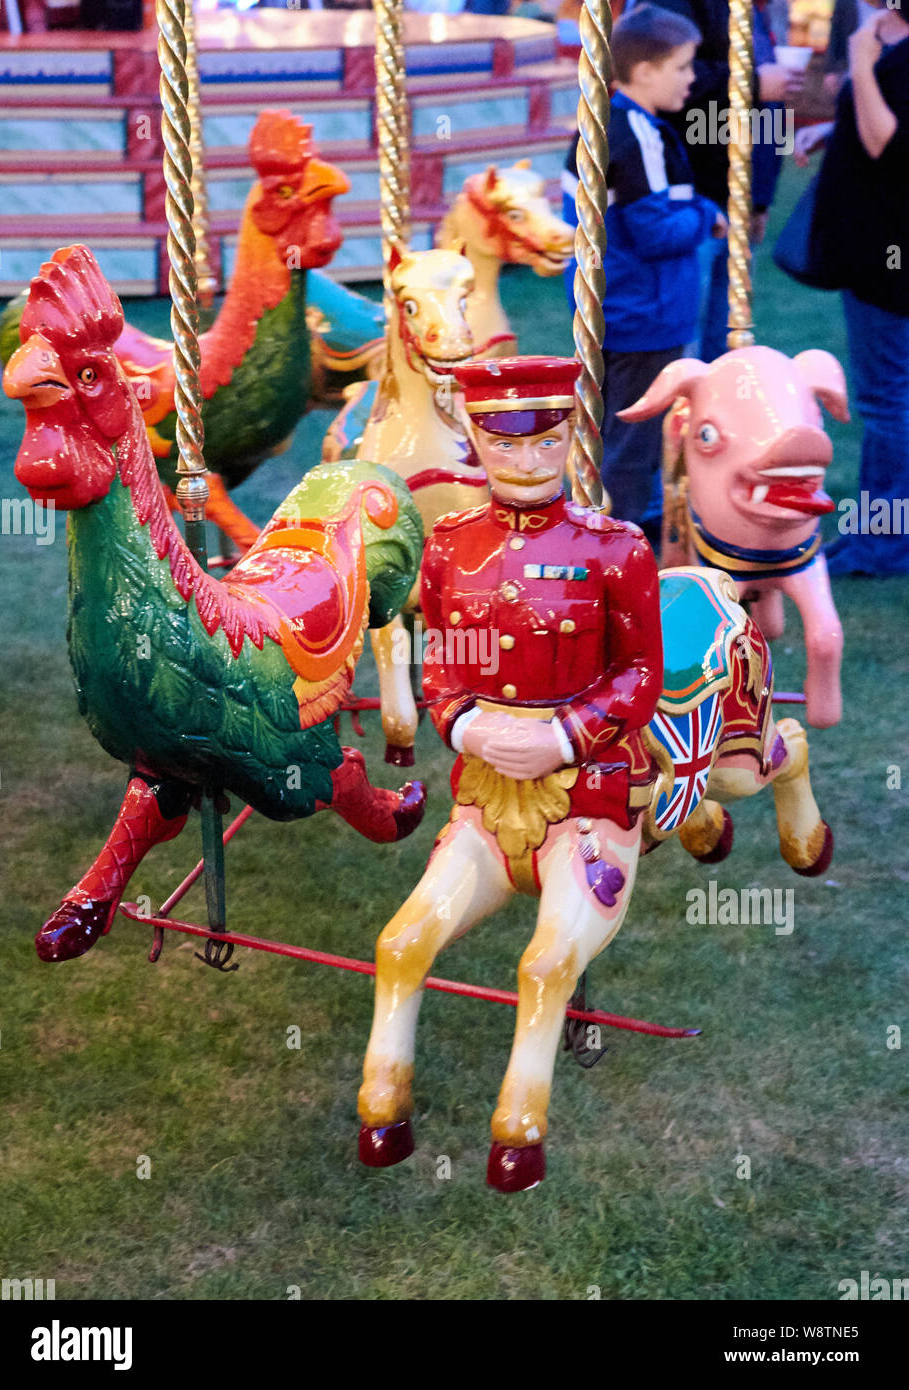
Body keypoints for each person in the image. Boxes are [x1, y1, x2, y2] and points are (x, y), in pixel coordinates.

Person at [356, 356, 663, 1193]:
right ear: (477, 437)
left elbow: (641, 676)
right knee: (401, 939)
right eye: (503, 440)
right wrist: (466, 723)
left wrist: (565, 736)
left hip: (585, 793)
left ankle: (519, 1123)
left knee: (544, 961)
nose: (526, 459)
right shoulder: (451, 547)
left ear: (568, 434)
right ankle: (383, 1095)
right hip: (488, 796)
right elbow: (442, 671)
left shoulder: (615, 549)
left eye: (547, 440)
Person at [562, 4, 725, 540]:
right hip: (644, 315)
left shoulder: (601, 118)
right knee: (631, 449)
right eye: (682, 66)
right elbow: (657, 234)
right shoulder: (637, 131)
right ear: (644, 71)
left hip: (612, 309)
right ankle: (615, 551)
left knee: (606, 437)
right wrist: (706, 214)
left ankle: (599, 533)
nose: (693, 77)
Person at [795, 1, 909, 576]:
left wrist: (863, 65)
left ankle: (884, 543)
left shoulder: (888, 48)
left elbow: (886, 142)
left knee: (888, 401)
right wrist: (830, 129)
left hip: (887, 257)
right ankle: (877, 532)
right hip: (877, 248)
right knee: (893, 395)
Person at [650, 0, 805, 359]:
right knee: (684, 345)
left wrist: (760, 197)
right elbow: (656, 74)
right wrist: (751, 83)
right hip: (692, 197)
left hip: (738, 199)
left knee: (729, 345)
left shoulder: (751, 9)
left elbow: (769, 111)